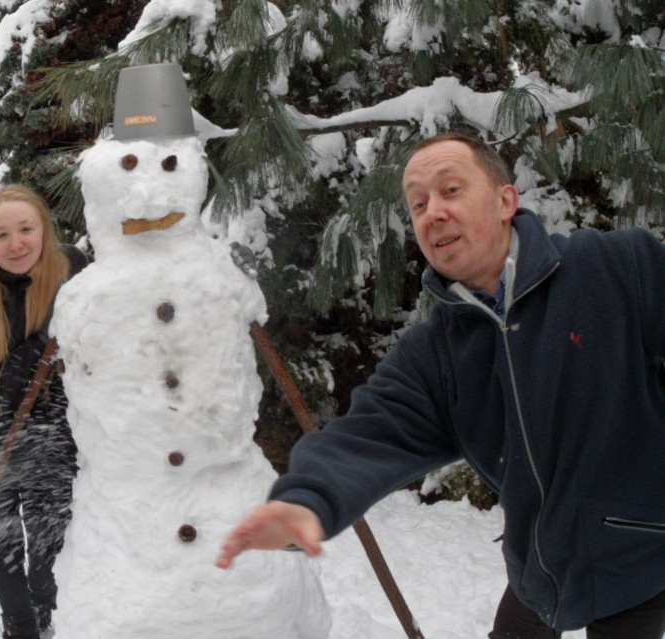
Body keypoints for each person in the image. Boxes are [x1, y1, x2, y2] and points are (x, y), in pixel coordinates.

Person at [217, 131, 665, 638]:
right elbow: (371, 433)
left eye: (451, 190)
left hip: (642, 563)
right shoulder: (438, 354)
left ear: (505, 200)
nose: (433, 212)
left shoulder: (617, 268)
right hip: (538, 569)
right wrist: (307, 500)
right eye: (419, 203)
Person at [0, 184, 89, 639]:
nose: (16, 244)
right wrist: (49, 332)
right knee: (6, 543)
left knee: (49, 541)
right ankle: (19, 630)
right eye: (2, 235)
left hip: (51, 424)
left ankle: (46, 619)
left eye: (26, 229)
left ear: (44, 230)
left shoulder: (74, 268)